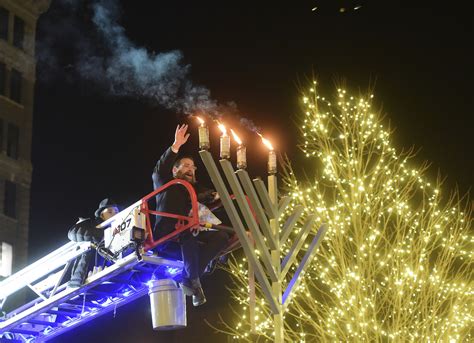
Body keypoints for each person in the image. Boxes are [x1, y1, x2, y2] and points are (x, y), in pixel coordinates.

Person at [152, 124, 230, 306]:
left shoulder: (195, 188)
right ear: (175, 170)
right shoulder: (166, 182)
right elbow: (158, 171)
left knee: (222, 235)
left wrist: (217, 195)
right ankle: (193, 280)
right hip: (168, 232)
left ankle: (190, 278)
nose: (191, 169)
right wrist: (175, 146)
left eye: (193, 168)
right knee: (188, 233)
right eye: (186, 166)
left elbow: (211, 195)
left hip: (191, 231)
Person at [67, 198, 119, 288]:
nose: (115, 214)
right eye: (110, 212)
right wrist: (103, 234)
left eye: (117, 212)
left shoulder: (119, 232)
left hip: (108, 278)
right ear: (102, 215)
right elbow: (73, 232)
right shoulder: (91, 224)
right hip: (84, 277)